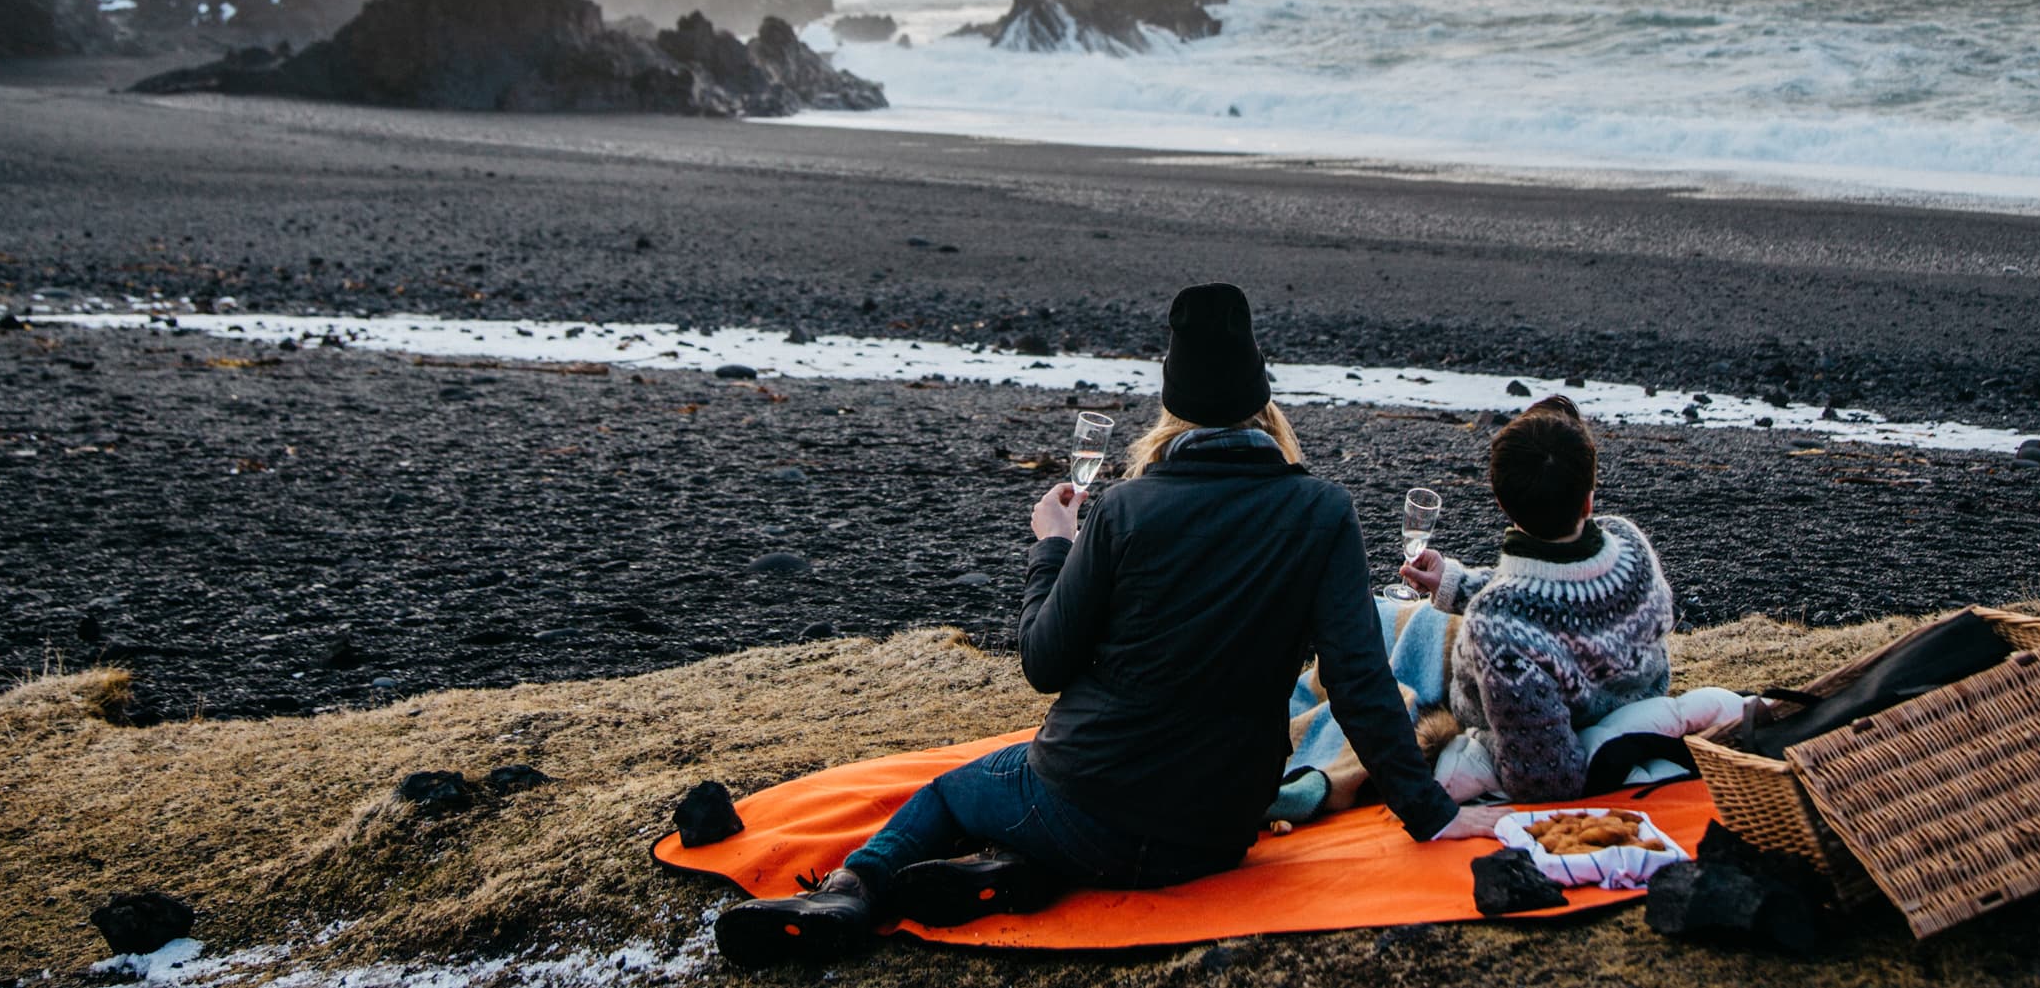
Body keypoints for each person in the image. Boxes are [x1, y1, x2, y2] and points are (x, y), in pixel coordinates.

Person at [715, 283, 1508, 966]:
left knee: (952, 792)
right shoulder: (1323, 511)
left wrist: (1052, 548)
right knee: (1066, 820)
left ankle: (854, 892)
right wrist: (1432, 814)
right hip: (1215, 829)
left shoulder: (1126, 507)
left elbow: (1045, 660)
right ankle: (1017, 874)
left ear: (1173, 399)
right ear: (1261, 397)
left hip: (1087, 803)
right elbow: (1363, 683)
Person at [1398, 394, 1677, 805]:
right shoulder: (1630, 542)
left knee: (1403, 634)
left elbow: (1546, 778)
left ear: (1501, 503)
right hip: (1637, 699)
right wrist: (1452, 582)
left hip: (1532, 732)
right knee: (1421, 620)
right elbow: (1556, 594)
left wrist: (1479, 743)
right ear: (1588, 498)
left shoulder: (1496, 626)